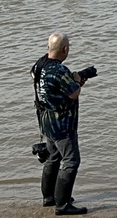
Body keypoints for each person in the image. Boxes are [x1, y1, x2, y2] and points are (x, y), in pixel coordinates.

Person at [31, 33, 97, 215]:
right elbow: (74, 93)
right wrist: (77, 79)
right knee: (71, 161)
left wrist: (75, 78)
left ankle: (49, 197)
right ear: (65, 50)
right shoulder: (60, 71)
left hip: (46, 121)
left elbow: (52, 88)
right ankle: (62, 205)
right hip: (62, 124)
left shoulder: (39, 65)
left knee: (53, 157)